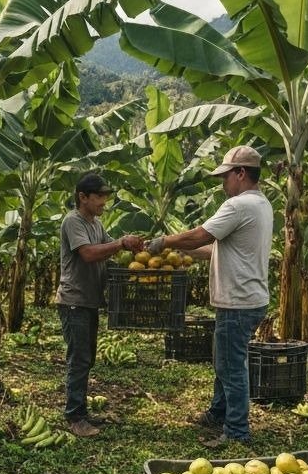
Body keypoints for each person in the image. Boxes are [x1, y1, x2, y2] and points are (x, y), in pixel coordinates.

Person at [147, 145, 273, 448]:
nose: (222, 183)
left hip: (238, 301)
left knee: (231, 366)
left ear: (241, 174)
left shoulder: (238, 206)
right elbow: (213, 249)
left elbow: (201, 235)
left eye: (225, 176)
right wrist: (177, 249)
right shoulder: (262, 204)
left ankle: (237, 431)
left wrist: (164, 241)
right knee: (224, 360)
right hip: (249, 298)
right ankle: (218, 412)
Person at [56, 171, 144, 438]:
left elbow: (108, 248)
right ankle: (74, 416)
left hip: (89, 301)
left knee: (86, 358)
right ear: (83, 197)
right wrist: (120, 243)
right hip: (74, 301)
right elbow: (89, 253)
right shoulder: (73, 222)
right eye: (99, 197)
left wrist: (131, 252)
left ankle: (80, 411)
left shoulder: (94, 223)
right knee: (79, 359)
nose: (104, 202)